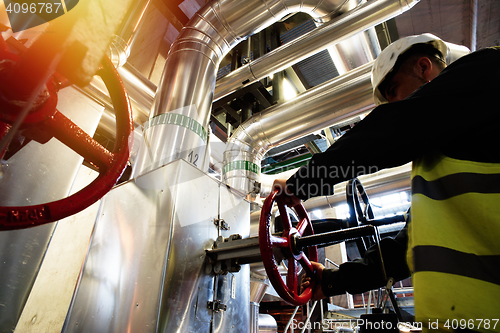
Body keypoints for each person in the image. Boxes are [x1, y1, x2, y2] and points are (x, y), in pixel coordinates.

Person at [273, 33, 500, 332]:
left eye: (394, 91)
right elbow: (406, 249)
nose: (395, 106)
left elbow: (390, 132)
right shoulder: (443, 162)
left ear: (423, 67)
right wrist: (330, 282)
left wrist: (304, 183)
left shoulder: (488, 70)